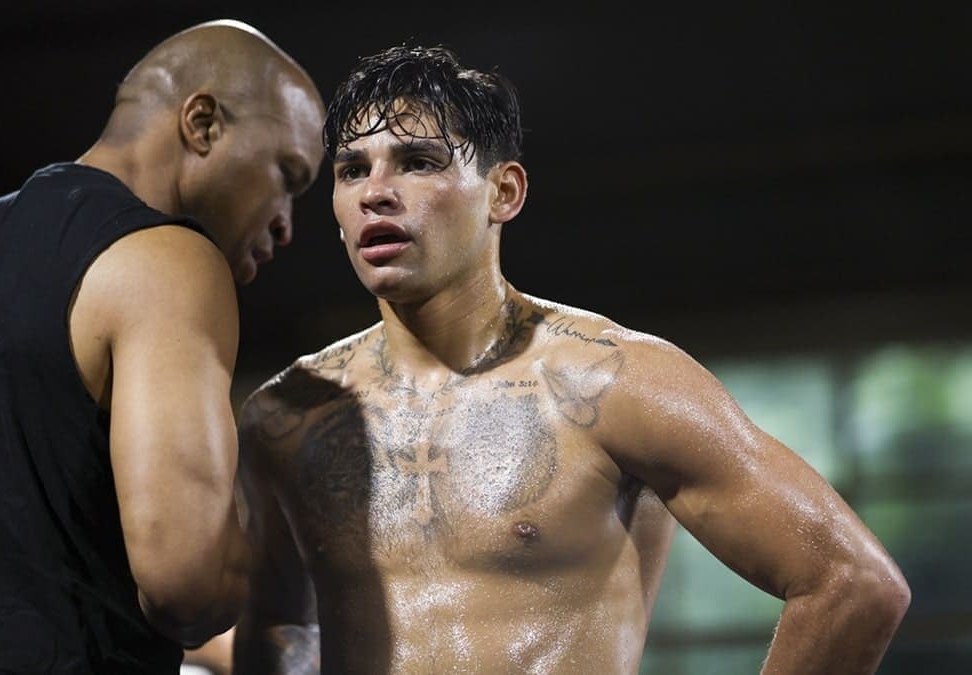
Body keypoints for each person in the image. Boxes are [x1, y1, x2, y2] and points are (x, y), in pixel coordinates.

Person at [233, 45, 910, 674]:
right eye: (354, 169)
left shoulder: (617, 381)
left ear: (504, 192)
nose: (375, 190)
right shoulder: (288, 418)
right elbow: (280, 627)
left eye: (418, 161)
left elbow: (851, 582)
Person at [0, 19, 324, 674]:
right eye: (287, 176)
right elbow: (188, 581)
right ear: (203, 123)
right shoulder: (174, 265)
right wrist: (282, 527)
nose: (286, 223)